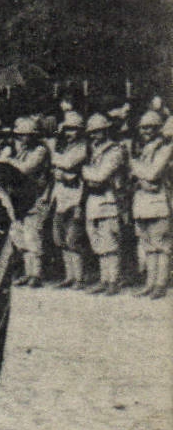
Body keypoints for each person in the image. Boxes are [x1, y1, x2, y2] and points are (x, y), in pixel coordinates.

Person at [81, 112, 128, 294]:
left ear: (107, 130)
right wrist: (90, 175)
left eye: (98, 131)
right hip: (94, 200)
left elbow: (101, 176)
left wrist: (85, 172)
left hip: (109, 200)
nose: (94, 135)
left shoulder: (115, 150)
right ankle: (104, 279)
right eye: (92, 132)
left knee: (110, 242)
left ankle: (113, 281)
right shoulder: (93, 149)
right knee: (98, 242)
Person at [129, 111, 172, 299]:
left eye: (151, 127)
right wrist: (141, 176)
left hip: (158, 202)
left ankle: (161, 284)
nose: (147, 131)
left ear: (158, 128)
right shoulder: (141, 148)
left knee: (161, 246)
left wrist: (134, 167)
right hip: (141, 203)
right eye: (144, 127)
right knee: (147, 246)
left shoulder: (166, 147)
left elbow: (154, 174)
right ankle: (150, 284)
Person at [6, 116, 53, 287]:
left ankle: (37, 273)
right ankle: (28, 272)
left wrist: (8, 161)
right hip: (23, 197)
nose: (22, 138)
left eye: (25, 135)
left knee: (33, 235)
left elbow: (25, 168)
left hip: (37, 196)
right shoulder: (23, 150)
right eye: (20, 135)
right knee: (20, 236)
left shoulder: (40, 150)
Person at [50, 111, 90, 288]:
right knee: (61, 239)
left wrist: (56, 163)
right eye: (67, 129)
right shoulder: (65, 147)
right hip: (61, 198)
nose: (69, 133)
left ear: (80, 131)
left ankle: (79, 277)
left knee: (73, 239)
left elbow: (67, 164)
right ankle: (70, 276)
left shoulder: (83, 147)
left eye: (73, 129)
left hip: (76, 199)